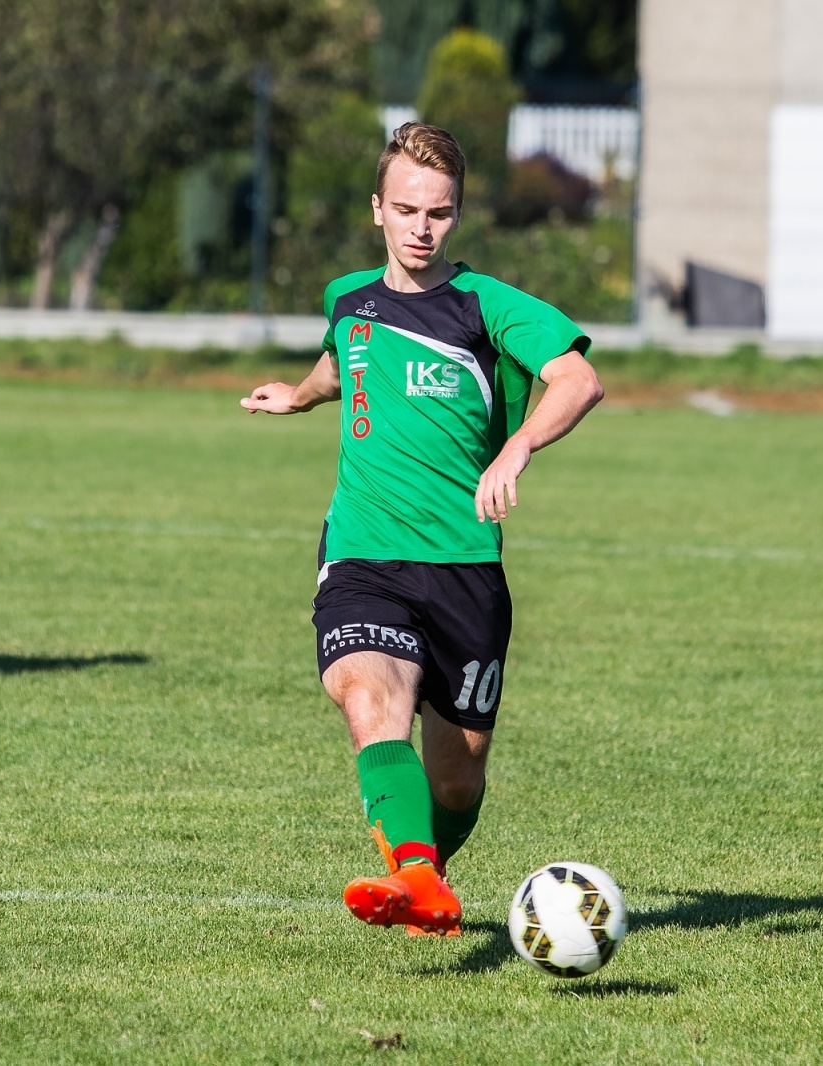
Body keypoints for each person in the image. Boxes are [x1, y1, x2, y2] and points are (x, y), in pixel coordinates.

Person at [239, 123, 603, 936]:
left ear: (457, 216)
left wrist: (518, 443)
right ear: (377, 209)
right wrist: (300, 395)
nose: (420, 228)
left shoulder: (487, 307)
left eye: (437, 213)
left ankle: (424, 872)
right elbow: (342, 360)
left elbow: (578, 379)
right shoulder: (349, 298)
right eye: (405, 210)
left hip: (465, 566)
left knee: (457, 782)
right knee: (368, 697)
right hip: (364, 549)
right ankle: (415, 877)